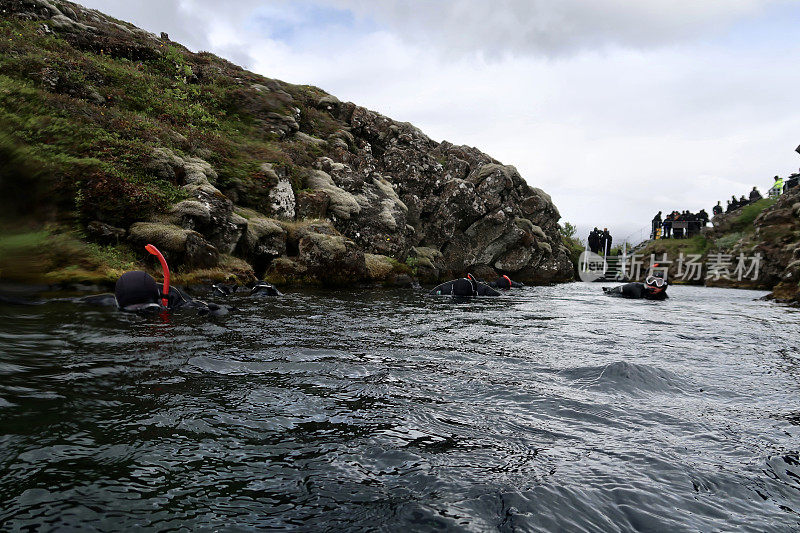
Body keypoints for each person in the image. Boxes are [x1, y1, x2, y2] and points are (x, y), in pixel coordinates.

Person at [602, 274, 668, 300]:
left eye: (659, 282)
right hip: (612, 293)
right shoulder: (637, 289)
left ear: (663, 287)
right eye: (650, 281)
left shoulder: (663, 296)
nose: (654, 285)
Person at [429, 274, 500, 296]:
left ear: (452, 292)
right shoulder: (481, 291)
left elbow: (431, 293)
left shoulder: (445, 291)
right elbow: (497, 295)